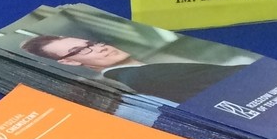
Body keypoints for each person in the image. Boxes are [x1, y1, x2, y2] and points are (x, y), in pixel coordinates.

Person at [20, 33, 247, 104]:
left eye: (92, 43)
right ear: (70, 62)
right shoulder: (142, 76)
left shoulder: (138, 74)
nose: (99, 48)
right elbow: (235, 79)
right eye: (82, 50)